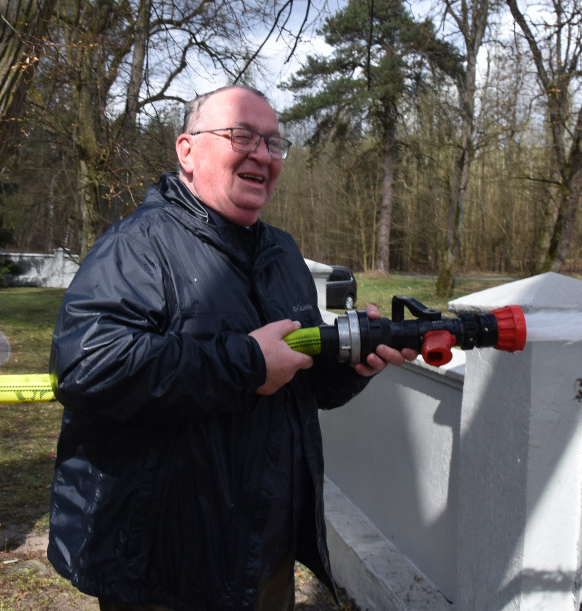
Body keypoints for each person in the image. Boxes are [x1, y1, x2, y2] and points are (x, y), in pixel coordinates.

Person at [47, 85, 416, 611]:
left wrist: (353, 366)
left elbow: (297, 379)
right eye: (241, 135)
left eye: (273, 142)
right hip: (167, 569)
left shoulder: (282, 252)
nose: (262, 154)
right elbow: (88, 367)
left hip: (265, 557)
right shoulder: (139, 244)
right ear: (187, 150)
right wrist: (245, 363)